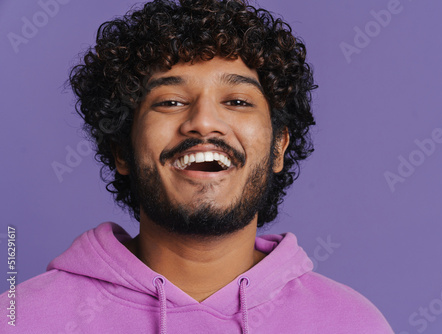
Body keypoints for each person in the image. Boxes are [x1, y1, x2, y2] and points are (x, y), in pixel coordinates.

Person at [1, 0, 394, 332]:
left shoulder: (352, 323)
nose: (204, 121)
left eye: (238, 101)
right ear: (122, 149)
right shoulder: (21, 319)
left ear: (278, 148)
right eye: (170, 101)